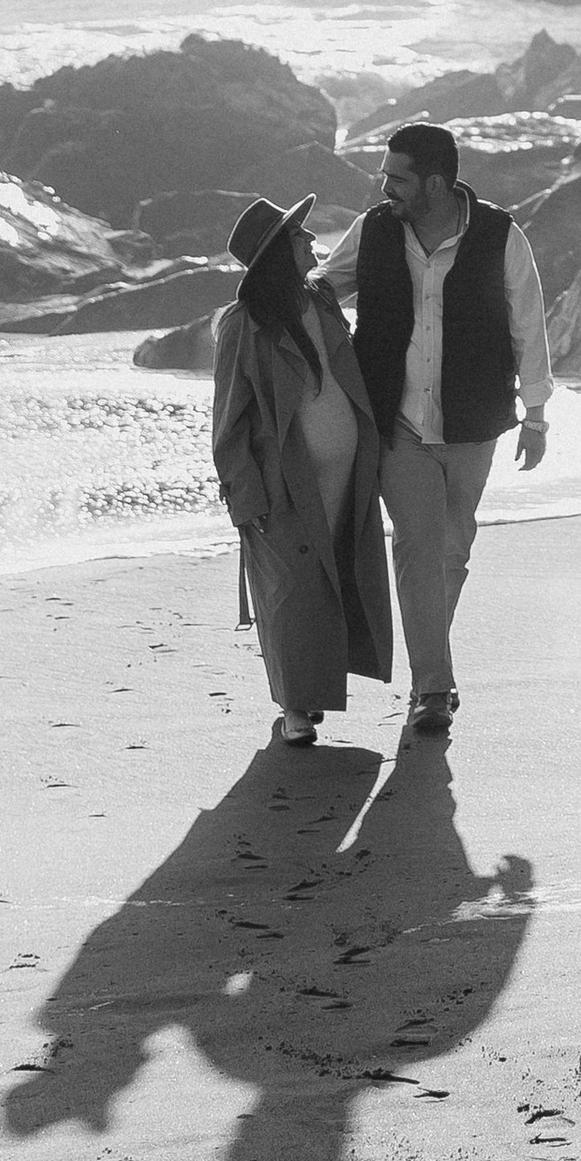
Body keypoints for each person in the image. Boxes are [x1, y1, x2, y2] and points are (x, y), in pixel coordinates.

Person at [321, 121, 551, 742]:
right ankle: (433, 690)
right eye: (384, 176)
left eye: (398, 178)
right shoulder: (372, 230)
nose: (385, 187)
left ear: (437, 182)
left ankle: (430, 659)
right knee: (417, 547)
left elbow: (528, 324)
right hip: (395, 420)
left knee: (453, 549)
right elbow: (324, 291)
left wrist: (536, 413)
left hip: (474, 422)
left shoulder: (501, 235)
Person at [209, 192, 394, 748]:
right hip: (282, 484)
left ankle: (314, 691)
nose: (312, 241)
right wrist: (246, 497)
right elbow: (227, 424)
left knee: (333, 580)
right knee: (291, 595)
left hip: (348, 476)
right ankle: (295, 708)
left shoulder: (323, 302)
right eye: (299, 236)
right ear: (275, 254)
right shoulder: (244, 325)